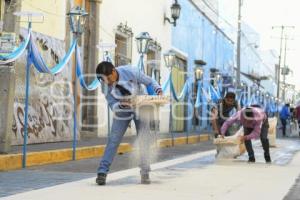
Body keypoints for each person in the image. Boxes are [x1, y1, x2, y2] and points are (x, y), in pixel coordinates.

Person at [95, 61, 162, 185]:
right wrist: (120, 105)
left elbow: (150, 82)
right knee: (113, 140)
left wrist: (158, 90)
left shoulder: (131, 71)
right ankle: (102, 172)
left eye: (109, 79)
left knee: (143, 139)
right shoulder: (105, 85)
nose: (108, 83)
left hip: (141, 107)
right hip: (122, 111)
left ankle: (145, 172)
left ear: (114, 71)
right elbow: (112, 105)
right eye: (105, 81)